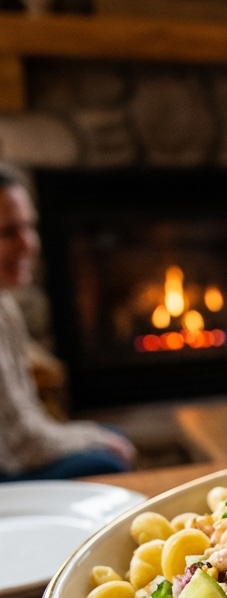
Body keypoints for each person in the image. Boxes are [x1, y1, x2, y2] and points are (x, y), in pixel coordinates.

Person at [0, 165, 136, 481]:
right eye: (8, 232)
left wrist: (93, 436)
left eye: (28, 226)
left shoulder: (5, 303)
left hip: (20, 451)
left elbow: (27, 420)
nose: (30, 245)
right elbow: (22, 446)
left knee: (112, 436)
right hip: (7, 474)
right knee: (111, 459)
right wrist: (96, 440)